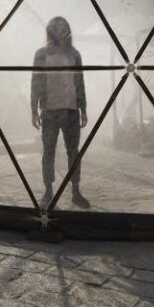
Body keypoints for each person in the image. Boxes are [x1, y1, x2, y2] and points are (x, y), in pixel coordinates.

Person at [31, 16, 90, 209]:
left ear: (68, 29)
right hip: (49, 110)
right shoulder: (41, 54)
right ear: (50, 30)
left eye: (63, 25)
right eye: (56, 26)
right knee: (48, 152)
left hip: (71, 109)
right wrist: (34, 110)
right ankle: (48, 191)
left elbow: (79, 82)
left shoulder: (75, 54)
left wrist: (83, 109)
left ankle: (75, 191)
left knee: (73, 152)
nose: (60, 29)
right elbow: (36, 82)